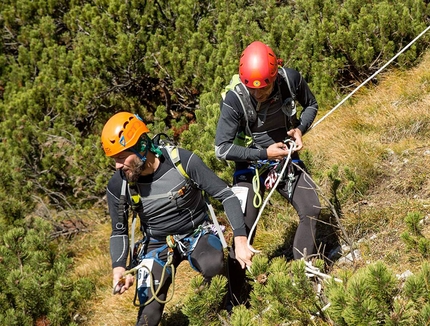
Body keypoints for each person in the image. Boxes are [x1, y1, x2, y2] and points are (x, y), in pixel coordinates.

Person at [101, 112, 254, 326]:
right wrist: (120, 268)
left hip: (197, 232)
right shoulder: (119, 185)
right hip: (155, 244)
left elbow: (225, 195)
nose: (117, 166)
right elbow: (118, 232)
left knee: (213, 264)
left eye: (121, 157)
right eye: (114, 159)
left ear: (141, 147)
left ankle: (231, 304)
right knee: (147, 318)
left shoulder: (182, 161)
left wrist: (240, 238)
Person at [215, 41, 321, 306]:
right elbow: (222, 149)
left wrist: (300, 129)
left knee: (312, 207)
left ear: (275, 75)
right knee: (244, 232)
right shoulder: (235, 98)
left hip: (283, 158)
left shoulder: (290, 79)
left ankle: (304, 273)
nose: (259, 94)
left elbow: (311, 104)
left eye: (265, 88)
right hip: (250, 165)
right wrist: (263, 154)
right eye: (253, 89)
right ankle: (236, 299)